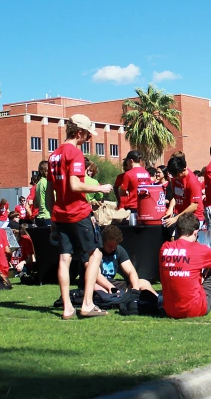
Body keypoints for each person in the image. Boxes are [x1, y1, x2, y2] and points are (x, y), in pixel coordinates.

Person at [46, 114, 113, 319]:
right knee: (95, 254)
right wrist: (100, 188)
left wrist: (53, 217)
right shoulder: (74, 153)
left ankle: (67, 307)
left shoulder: (53, 155)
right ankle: (87, 303)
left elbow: (50, 192)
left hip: (60, 214)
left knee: (64, 259)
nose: (88, 140)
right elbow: (75, 185)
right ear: (80, 132)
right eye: (87, 136)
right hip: (78, 212)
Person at [159, 213, 211, 319]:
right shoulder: (200, 249)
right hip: (195, 309)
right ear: (195, 232)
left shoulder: (164, 248)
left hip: (170, 310)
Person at [92, 225, 157, 295]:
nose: (113, 249)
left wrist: (135, 288)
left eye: (115, 246)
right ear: (103, 242)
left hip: (113, 283)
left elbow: (131, 271)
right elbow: (97, 276)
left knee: (144, 282)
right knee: (96, 288)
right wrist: (111, 287)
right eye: (110, 246)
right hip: (98, 283)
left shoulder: (119, 250)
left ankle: (157, 300)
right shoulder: (96, 251)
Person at [163, 155, 205, 228]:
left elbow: (194, 206)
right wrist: (170, 209)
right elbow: (174, 196)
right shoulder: (175, 177)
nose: (174, 178)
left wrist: (176, 218)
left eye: (176, 175)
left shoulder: (192, 182)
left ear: (184, 170)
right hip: (180, 215)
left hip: (193, 218)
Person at [34, 161, 51, 227]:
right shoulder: (47, 183)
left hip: (40, 217)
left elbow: (35, 204)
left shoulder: (38, 183)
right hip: (47, 216)